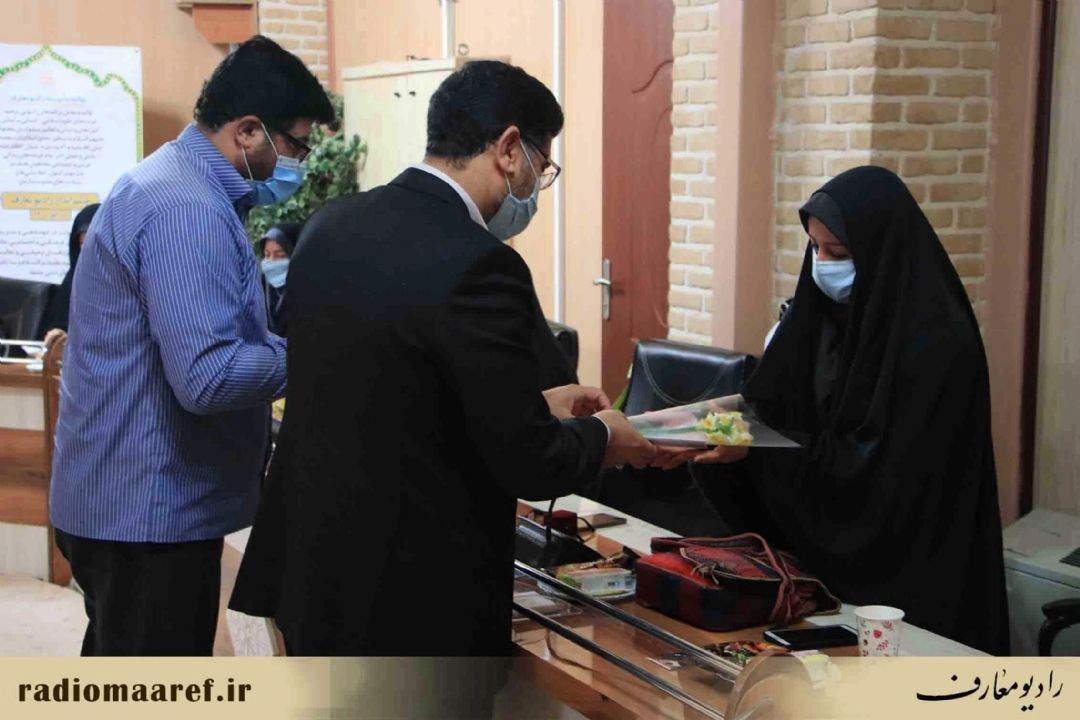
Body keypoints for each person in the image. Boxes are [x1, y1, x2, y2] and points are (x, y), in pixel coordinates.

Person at [230, 60, 659, 658]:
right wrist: (603, 434)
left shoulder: (331, 226)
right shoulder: (481, 262)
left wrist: (533, 404)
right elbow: (528, 463)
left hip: (315, 577)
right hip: (411, 604)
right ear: (509, 148)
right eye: (542, 166)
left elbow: (390, 394)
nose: (536, 186)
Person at [49, 36, 334, 656]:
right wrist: (323, 356)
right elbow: (208, 377)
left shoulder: (171, 183)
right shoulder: (185, 207)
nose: (299, 163)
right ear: (248, 131)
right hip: (147, 517)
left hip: (124, 503)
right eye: (296, 145)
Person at [690, 166, 1009, 655]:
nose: (823, 264)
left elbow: (883, 481)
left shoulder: (938, 346)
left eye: (838, 253)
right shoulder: (820, 319)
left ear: (881, 253)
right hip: (823, 585)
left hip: (912, 590)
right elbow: (776, 407)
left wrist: (759, 450)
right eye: (815, 249)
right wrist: (722, 425)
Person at [40, 203, 100, 347]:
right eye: (82, 246)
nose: (88, 254)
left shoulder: (124, 282)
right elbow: (59, 325)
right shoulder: (72, 280)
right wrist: (57, 334)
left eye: (94, 246)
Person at [257, 222, 302, 336]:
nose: (271, 261)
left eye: (280, 256)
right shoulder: (258, 288)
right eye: (267, 255)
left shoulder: (308, 292)